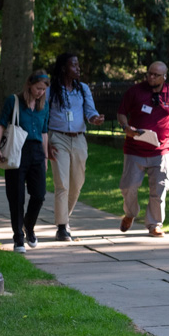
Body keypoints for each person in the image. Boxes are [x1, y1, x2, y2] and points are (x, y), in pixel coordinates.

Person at [116, 61, 169, 237]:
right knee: (127, 187)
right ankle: (130, 213)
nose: (151, 77)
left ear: (164, 77)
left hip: (161, 150)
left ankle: (154, 224)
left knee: (159, 189)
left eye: (156, 75)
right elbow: (121, 112)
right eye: (149, 73)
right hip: (134, 149)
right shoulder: (135, 91)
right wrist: (126, 128)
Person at [46, 52, 105, 242]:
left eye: (78, 65)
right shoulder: (51, 90)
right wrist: (46, 143)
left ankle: (65, 218)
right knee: (62, 183)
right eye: (74, 65)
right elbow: (43, 117)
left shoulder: (83, 89)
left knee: (77, 183)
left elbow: (90, 110)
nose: (78, 68)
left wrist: (95, 119)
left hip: (79, 139)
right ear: (64, 68)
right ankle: (62, 227)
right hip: (58, 138)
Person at [0, 71, 51, 253]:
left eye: (44, 89)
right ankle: (18, 238)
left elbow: (44, 132)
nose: (40, 92)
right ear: (29, 84)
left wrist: (46, 157)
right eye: (38, 88)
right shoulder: (14, 101)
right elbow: (1, 124)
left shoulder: (44, 106)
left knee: (39, 195)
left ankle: (28, 226)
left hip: (37, 152)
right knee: (16, 196)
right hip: (17, 150)